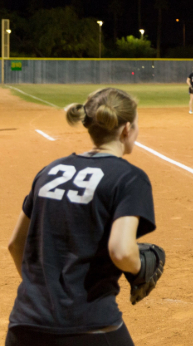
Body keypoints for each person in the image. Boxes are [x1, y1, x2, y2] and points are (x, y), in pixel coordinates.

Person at [6, 88, 164, 346]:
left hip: (25, 324)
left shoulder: (49, 171)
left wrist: (47, 294)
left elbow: (15, 245)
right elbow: (122, 251)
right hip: (89, 325)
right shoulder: (129, 178)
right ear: (126, 129)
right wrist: (140, 269)